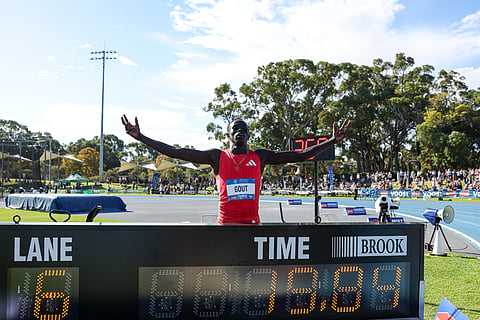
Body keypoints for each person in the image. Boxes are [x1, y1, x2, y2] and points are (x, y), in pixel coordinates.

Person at [122, 115, 350, 225]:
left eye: (244, 129)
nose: (240, 131)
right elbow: (175, 151)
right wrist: (140, 136)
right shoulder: (216, 156)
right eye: (235, 128)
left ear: (249, 135)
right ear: (229, 135)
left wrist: (332, 140)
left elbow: (302, 155)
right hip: (225, 226)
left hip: (252, 225)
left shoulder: (260, 156)